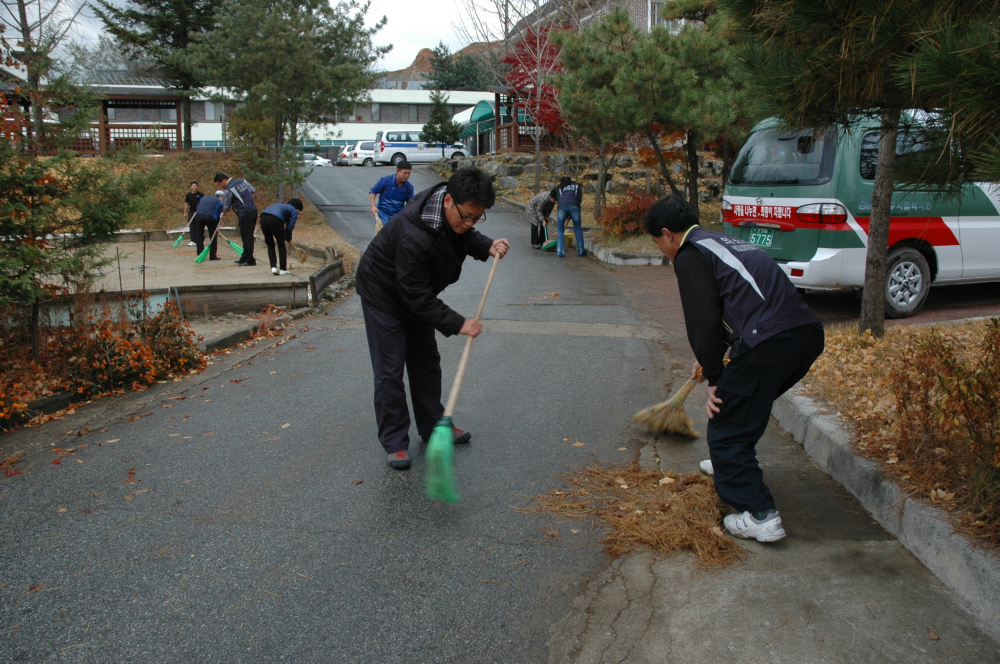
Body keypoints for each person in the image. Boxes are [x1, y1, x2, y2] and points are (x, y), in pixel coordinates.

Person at [645, 194, 824, 543]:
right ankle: (730, 466)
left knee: (726, 422)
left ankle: (760, 513)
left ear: (667, 234)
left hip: (769, 342)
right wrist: (713, 359)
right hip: (805, 335)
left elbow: (702, 320)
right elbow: (741, 300)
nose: (663, 252)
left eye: (658, 244)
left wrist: (715, 376)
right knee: (746, 404)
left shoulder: (688, 254)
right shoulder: (720, 241)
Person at [355, 167, 509, 470]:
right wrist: (458, 323)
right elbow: (414, 297)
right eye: (466, 215)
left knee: (426, 363)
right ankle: (395, 442)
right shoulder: (416, 234)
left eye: (476, 218)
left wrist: (486, 245)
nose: (469, 223)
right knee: (390, 371)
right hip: (384, 295)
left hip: (415, 293)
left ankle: (434, 427)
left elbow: (463, 234)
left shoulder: (453, 212)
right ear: (449, 200)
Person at [214, 172, 258, 266]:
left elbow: (227, 205)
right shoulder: (242, 181)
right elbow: (252, 190)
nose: (221, 186)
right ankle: (244, 257)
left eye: (219, 184)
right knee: (245, 235)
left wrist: (223, 214)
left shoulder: (229, 189)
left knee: (247, 236)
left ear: (224, 180)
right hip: (253, 210)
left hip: (245, 212)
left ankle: (250, 259)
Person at [259, 198, 303, 276]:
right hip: (275, 219)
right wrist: (288, 238)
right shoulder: (293, 211)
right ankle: (283, 269)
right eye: (299, 211)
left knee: (270, 244)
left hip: (263, 218)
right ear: (297, 208)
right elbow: (290, 227)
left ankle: (273, 267)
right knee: (281, 244)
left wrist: (286, 236)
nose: (298, 213)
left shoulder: (281, 206)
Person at [369, 160, 414, 232]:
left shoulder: (409, 187)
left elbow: (411, 203)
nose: (406, 176)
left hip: (398, 216)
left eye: (409, 173)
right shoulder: (385, 181)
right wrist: (373, 206)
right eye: (405, 173)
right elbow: (373, 192)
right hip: (383, 215)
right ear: (398, 171)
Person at [555, 176, 585, 257]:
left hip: (562, 208)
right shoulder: (576, 186)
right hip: (574, 206)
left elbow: (559, 199)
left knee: (560, 230)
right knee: (578, 228)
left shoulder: (559, 187)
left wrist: (566, 212)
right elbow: (579, 198)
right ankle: (581, 250)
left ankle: (560, 252)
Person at [191, 189, 224, 261]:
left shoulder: (203, 198)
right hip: (210, 217)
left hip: (199, 216)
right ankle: (212, 255)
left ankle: (200, 254)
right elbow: (220, 216)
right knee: (213, 236)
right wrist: (216, 228)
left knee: (199, 235)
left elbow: (198, 207)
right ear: (221, 197)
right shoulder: (220, 202)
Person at [183, 181, 204, 247]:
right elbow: (186, 204)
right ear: (190, 187)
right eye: (193, 186)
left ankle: (200, 239)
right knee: (192, 226)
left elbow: (203, 203)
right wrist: (185, 213)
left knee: (199, 226)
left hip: (199, 212)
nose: (194, 187)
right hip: (191, 212)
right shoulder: (188, 195)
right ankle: (193, 240)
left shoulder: (200, 194)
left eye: (195, 186)